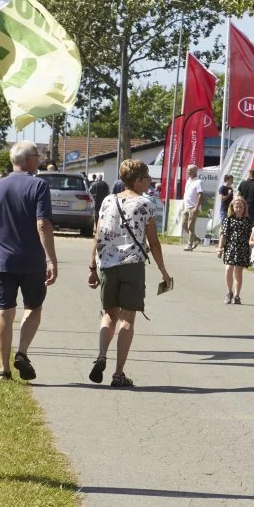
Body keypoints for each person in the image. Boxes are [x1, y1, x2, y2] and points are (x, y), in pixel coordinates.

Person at [87, 159, 171, 388]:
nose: (149, 183)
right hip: (132, 264)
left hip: (107, 264)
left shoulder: (107, 201)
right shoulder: (146, 204)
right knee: (127, 320)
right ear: (137, 180)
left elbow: (98, 234)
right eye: (146, 179)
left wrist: (92, 267)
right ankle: (118, 373)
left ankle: (101, 355)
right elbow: (153, 243)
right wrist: (163, 271)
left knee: (109, 314)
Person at [0, 142, 58, 382]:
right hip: (32, 260)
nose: (39, 160)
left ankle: (4, 369)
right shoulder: (39, 185)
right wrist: (51, 259)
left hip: (2, 261)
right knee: (33, 307)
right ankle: (22, 352)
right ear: (27, 160)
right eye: (37, 156)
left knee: (5, 310)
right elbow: (42, 223)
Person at [217, 196, 252, 304]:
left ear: (244, 208)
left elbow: (250, 236)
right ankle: (229, 292)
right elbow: (224, 235)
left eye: (241, 206)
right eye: (236, 206)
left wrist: (252, 249)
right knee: (228, 269)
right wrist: (220, 248)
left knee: (238, 272)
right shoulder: (228, 220)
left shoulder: (247, 221)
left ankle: (237, 295)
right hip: (230, 248)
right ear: (232, 207)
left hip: (242, 248)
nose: (239, 208)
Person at [180, 164, 203, 251]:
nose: (187, 172)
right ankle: (196, 239)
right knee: (184, 225)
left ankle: (189, 245)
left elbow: (200, 195)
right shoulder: (188, 181)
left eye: (189, 170)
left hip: (193, 208)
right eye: (187, 170)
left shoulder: (198, 182)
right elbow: (186, 194)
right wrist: (183, 205)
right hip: (186, 207)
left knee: (191, 226)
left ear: (194, 171)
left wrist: (196, 208)